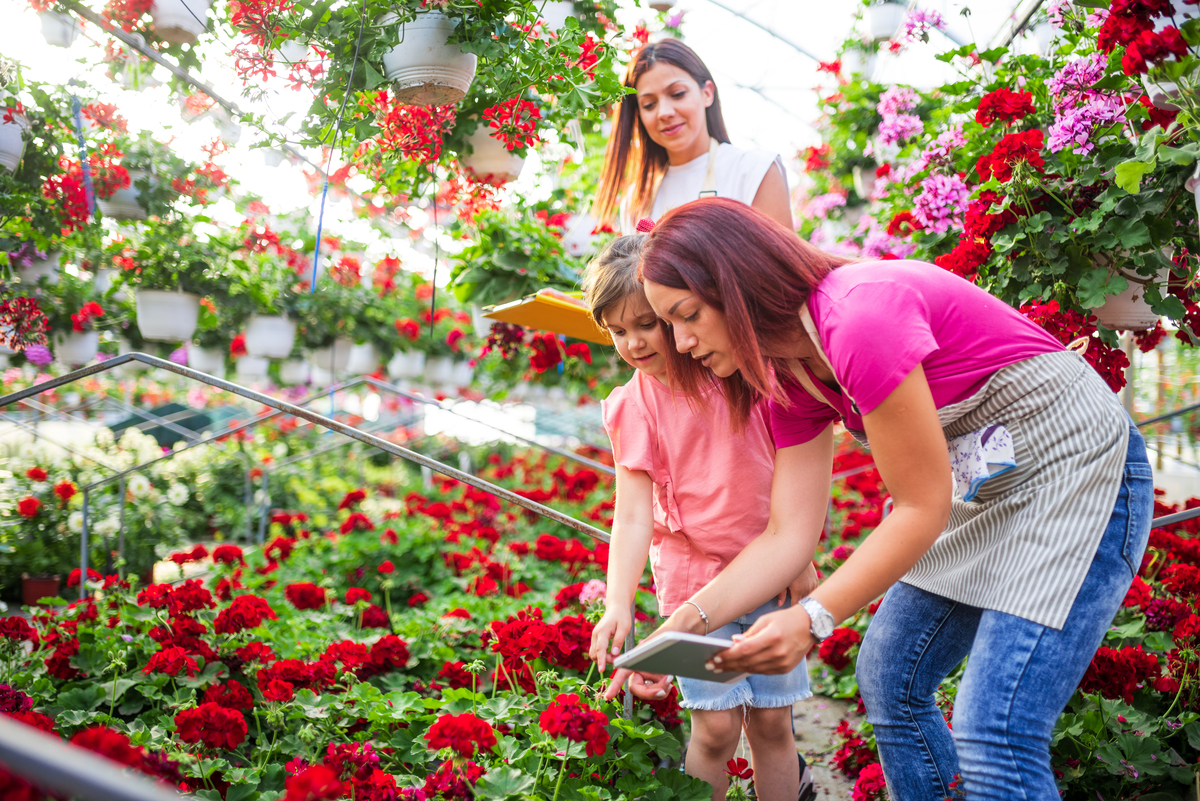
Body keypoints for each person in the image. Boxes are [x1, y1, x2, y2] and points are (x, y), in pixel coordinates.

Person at [614, 197, 1152, 800]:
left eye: (686, 316)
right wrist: (682, 627)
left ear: (735, 284)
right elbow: (786, 535)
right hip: (982, 488)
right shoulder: (787, 374)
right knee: (890, 677)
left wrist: (812, 618)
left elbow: (920, 506)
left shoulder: (857, 317)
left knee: (995, 731)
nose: (680, 344)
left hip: (1072, 471)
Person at [583, 235, 817, 801]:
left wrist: (802, 559)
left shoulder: (739, 372)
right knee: (713, 728)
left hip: (768, 573)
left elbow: (793, 478)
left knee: (770, 725)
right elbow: (633, 514)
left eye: (647, 324)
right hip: (692, 586)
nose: (635, 342)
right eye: (618, 331)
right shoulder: (632, 405)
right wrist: (618, 600)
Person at [591, 39, 792, 234]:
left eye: (677, 94)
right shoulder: (637, 201)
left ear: (707, 93)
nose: (664, 112)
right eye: (649, 105)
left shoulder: (755, 171)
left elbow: (781, 267)